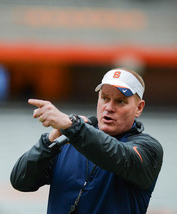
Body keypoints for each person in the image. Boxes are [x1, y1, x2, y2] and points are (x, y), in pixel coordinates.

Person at [10, 68, 163, 214]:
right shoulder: (70, 140)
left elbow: (118, 155)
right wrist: (49, 141)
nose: (109, 107)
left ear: (139, 108)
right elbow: (20, 181)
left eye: (120, 101)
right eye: (105, 98)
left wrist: (73, 127)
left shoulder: (149, 148)